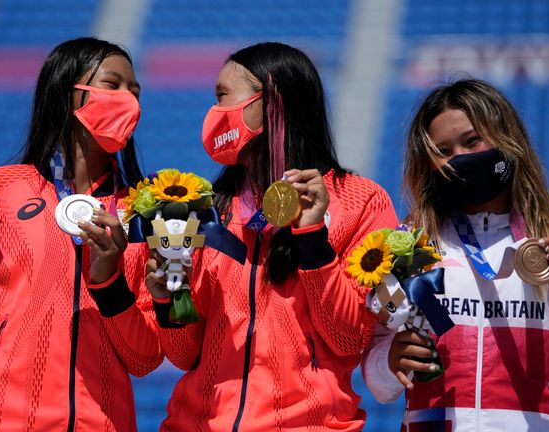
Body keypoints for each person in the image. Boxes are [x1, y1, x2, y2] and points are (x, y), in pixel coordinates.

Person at [0, 37, 162, 431]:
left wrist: (110, 281)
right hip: (0, 419)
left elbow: (144, 358)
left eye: (135, 91)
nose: (129, 101)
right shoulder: (0, 189)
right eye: (112, 86)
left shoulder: (146, 209)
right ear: (67, 95)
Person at [145, 42, 398, 431]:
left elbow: (349, 339)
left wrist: (313, 238)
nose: (214, 113)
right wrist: (166, 299)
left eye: (223, 97)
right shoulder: (207, 209)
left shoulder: (359, 200)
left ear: (270, 102)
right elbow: (184, 354)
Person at [361, 79, 549, 431]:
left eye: (472, 141)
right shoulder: (409, 243)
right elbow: (380, 387)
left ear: (507, 138)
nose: (461, 158)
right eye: (443, 151)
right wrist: (389, 362)